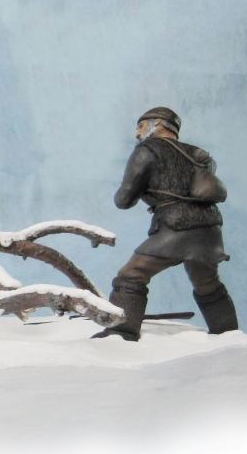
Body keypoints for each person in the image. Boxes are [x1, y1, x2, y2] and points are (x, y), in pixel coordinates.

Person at [94, 107, 238, 341]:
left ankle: (121, 333)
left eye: (141, 126)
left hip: (177, 225)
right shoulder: (196, 153)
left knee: (132, 274)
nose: (137, 133)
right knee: (207, 282)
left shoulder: (147, 150)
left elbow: (124, 200)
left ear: (158, 123)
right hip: (210, 227)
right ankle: (229, 335)